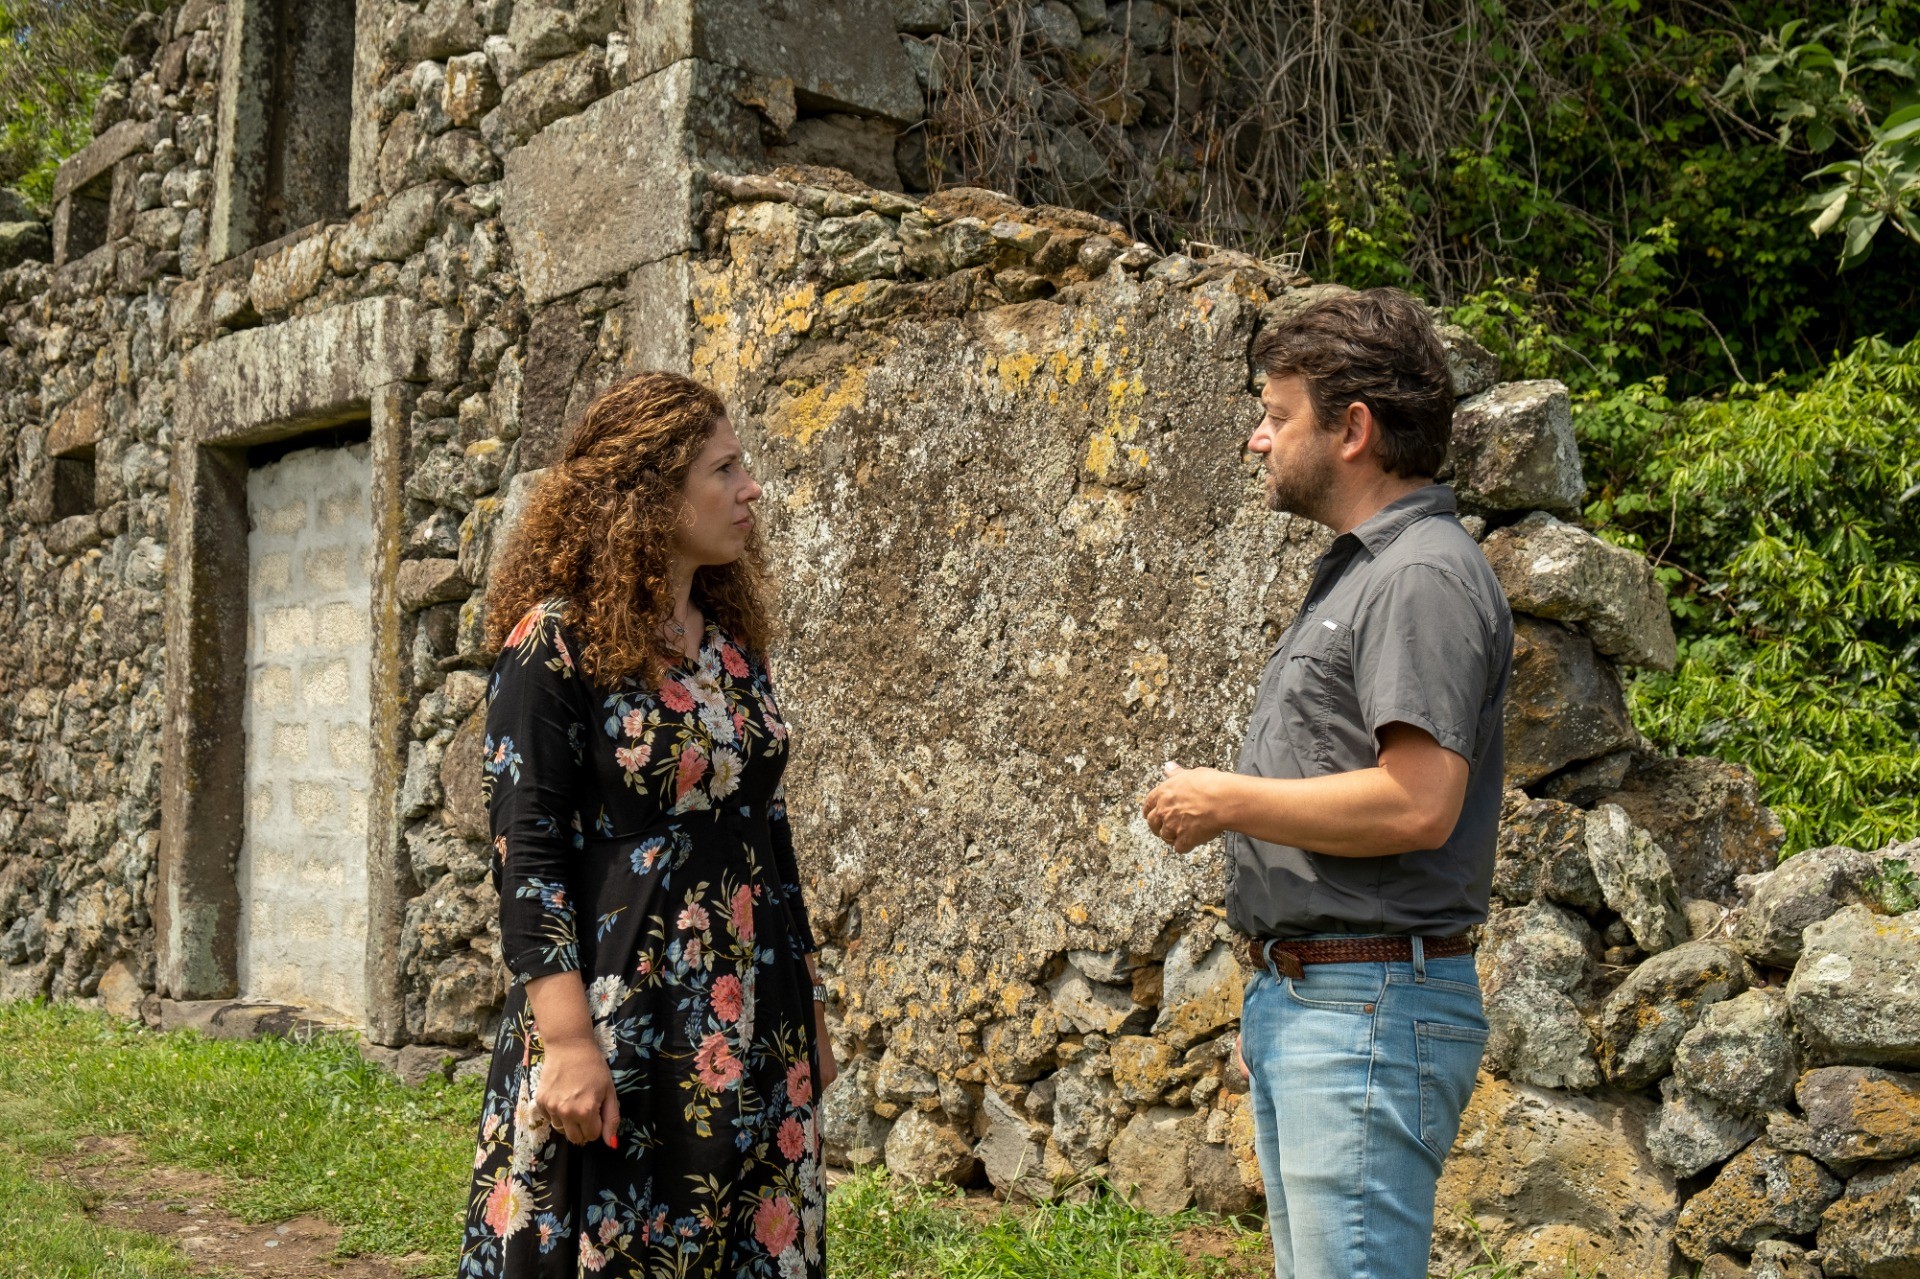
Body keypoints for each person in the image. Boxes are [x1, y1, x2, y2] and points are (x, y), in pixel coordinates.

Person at [1142, 288, 1512, 1279]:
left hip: (1365, 1003)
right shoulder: (1365, 572)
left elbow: (1418, 802)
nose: (1258, 439)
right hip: (1329, 997)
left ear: (1352, 430)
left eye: (1276, 415)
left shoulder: (1419, 576)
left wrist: (1226, 799)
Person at [459, 372, 834, 1279]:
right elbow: (526, 852)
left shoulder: (731, 646)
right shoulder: (554, 642)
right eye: (724, 468)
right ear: (651, 493)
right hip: (624, 1015)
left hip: (754, 1010)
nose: (750, 489)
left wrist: (809, 1004)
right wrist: (568, 1041)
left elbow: (770, 834)